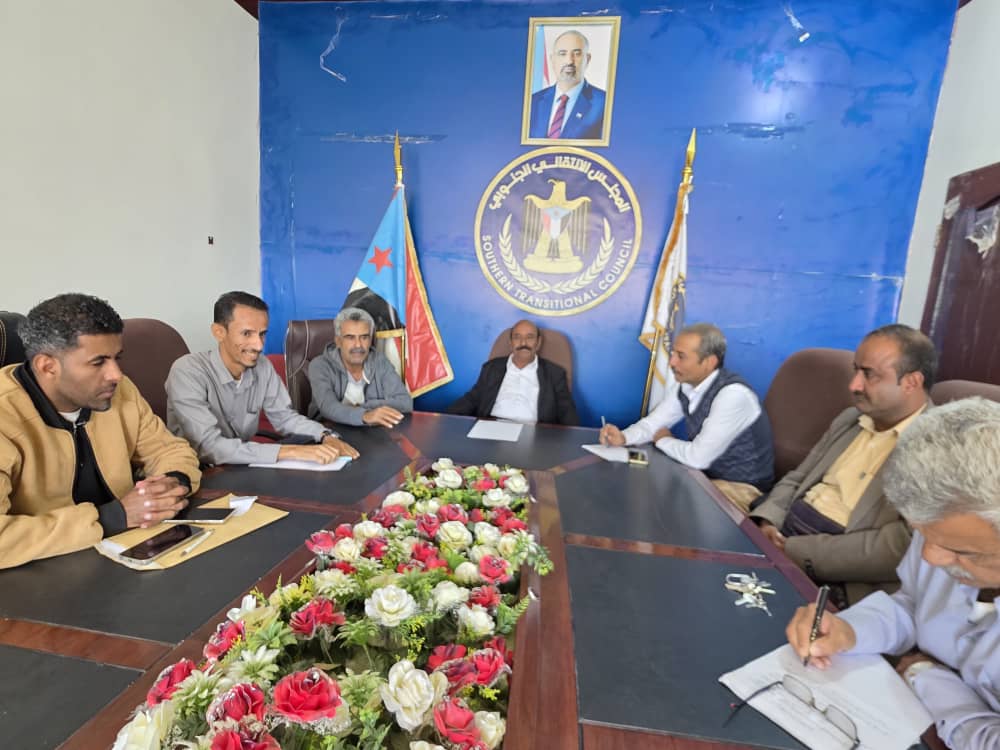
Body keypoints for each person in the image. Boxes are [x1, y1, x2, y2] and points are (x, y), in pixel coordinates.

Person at [786, 398, 1000, 749]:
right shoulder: (944, 528)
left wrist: (926, 676)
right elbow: (913, 604)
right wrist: (850, 630)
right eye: (922, 536)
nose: (930, 557)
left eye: (963, 552)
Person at [0, 293, 201, 569]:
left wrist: (172, 483)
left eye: (117, 358)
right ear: (47, 366)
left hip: (130, 550)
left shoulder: (119, 391)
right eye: (98, 362)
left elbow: (170, 450)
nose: (116, 374)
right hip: (45, 573)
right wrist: (114, 517)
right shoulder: (6, 415)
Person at [751, 324, 937, 604]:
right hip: (781, 535)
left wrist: (792, 550)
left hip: (837, 572)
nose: (854, 385)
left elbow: (901, 545)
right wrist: (767, 521)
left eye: (869, 374)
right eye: (856, 371)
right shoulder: (850, 419)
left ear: (911, 382)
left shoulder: (937, 445)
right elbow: (797, 478)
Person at [166, 292, 358, 465]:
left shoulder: (262, 366)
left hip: (239, 467)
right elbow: (208, 447)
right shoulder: (187, 371)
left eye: (262, 334)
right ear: (219, 332)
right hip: (197, 473)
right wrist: (291, 451)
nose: (258, 345)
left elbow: (285, 418)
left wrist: (325, 435)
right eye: (246, 333)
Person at [599, 323, 773, 511]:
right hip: (704, 477)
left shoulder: (733, 395)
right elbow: (654, 424)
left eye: (681, 356)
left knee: (663, 510)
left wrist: (663, 440)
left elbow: (698, 458)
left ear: (709, 362)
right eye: (673, 353)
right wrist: (624, 437)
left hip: (742, 489)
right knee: (644, 495)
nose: (672, 362)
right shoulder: (687, 385)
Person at [447, 320, 578, 425]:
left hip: (535, 434)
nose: (523, 343)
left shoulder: (554, 374)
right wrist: (444, 420)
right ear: (510, 343)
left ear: (538, 343)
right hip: (491, 429)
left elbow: (567, 413)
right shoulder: (491, 368)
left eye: (530, 337)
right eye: (517, 337)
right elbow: (471, 399)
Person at [308, 307, 413, 428]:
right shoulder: (320, 365)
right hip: (329, 431)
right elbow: (328, 407)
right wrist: (364, 415)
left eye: (364, 337)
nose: (358, 345)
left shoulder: (380, 361)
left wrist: (362, 408)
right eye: (350, 337)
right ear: (338, 341)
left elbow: (405, 403)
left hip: (372, 432)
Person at [528, 29, 607, 141]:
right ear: (552, 59)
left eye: (577, 54)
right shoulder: (533, 101)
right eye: (562, 54)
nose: (569, 61)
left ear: (587, 59)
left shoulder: (604, 103)